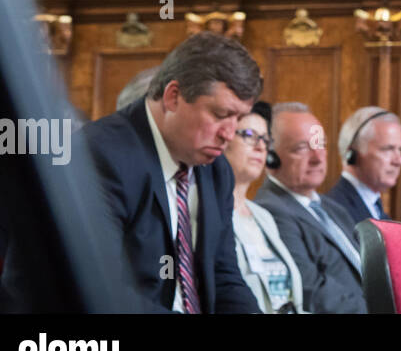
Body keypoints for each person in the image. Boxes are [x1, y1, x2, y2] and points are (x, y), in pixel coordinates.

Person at [73, 32, 261, 312]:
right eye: (221, 114)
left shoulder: (216, 170)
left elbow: (224, 278)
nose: (229, 134)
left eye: (238, 118)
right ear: (173, 96)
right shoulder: (100, 154)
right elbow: (97, 289)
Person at [255, 103, 367, 313]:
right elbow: (310, 290)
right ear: (271, 158)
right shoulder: (271, 211)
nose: (317, 157)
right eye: (302, 148)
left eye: (320, 144)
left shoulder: (332, 209)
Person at [223, 101, 304, 313]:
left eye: (265, 139)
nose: (260, 147)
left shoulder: (263, 216)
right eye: (249, 135)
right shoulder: (206, 212)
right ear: (223, 139)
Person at [325, 106, 401, 224]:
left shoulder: (378, 210)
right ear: (352, 154)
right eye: (388, 149)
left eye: (400, 150)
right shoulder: (335, 211)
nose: (399, 161)